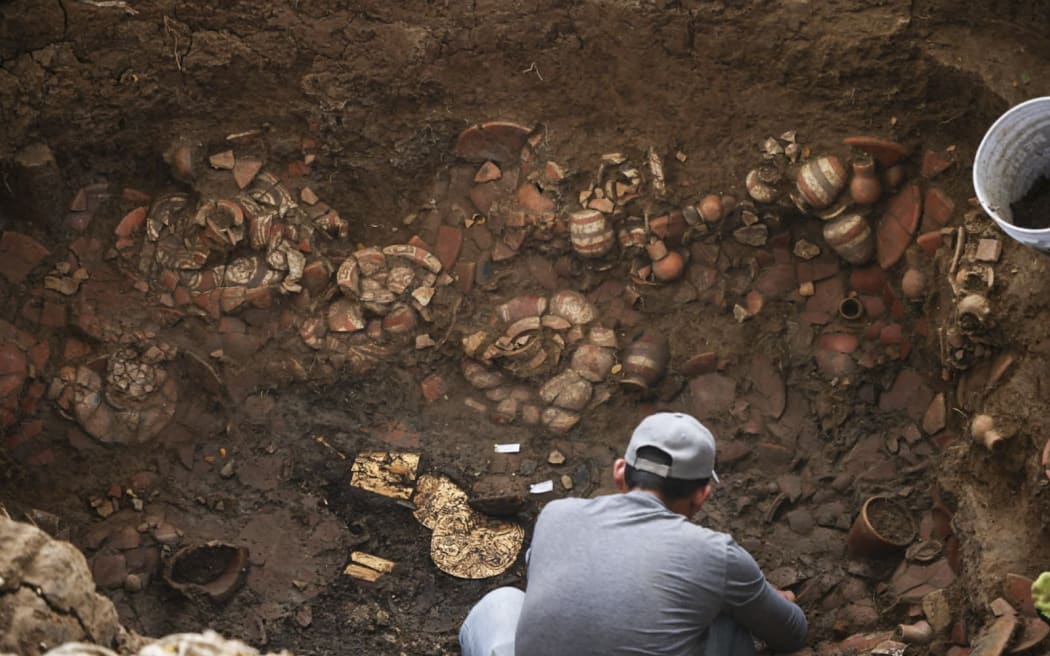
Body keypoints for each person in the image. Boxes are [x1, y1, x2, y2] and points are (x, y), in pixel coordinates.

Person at [459, 412, 808, 656]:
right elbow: (791, 634)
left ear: (620, 472)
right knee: (725, 615)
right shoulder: (717, 556)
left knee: (501, 603)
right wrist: (768, 597)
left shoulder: (556, 515)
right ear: (702, 495)